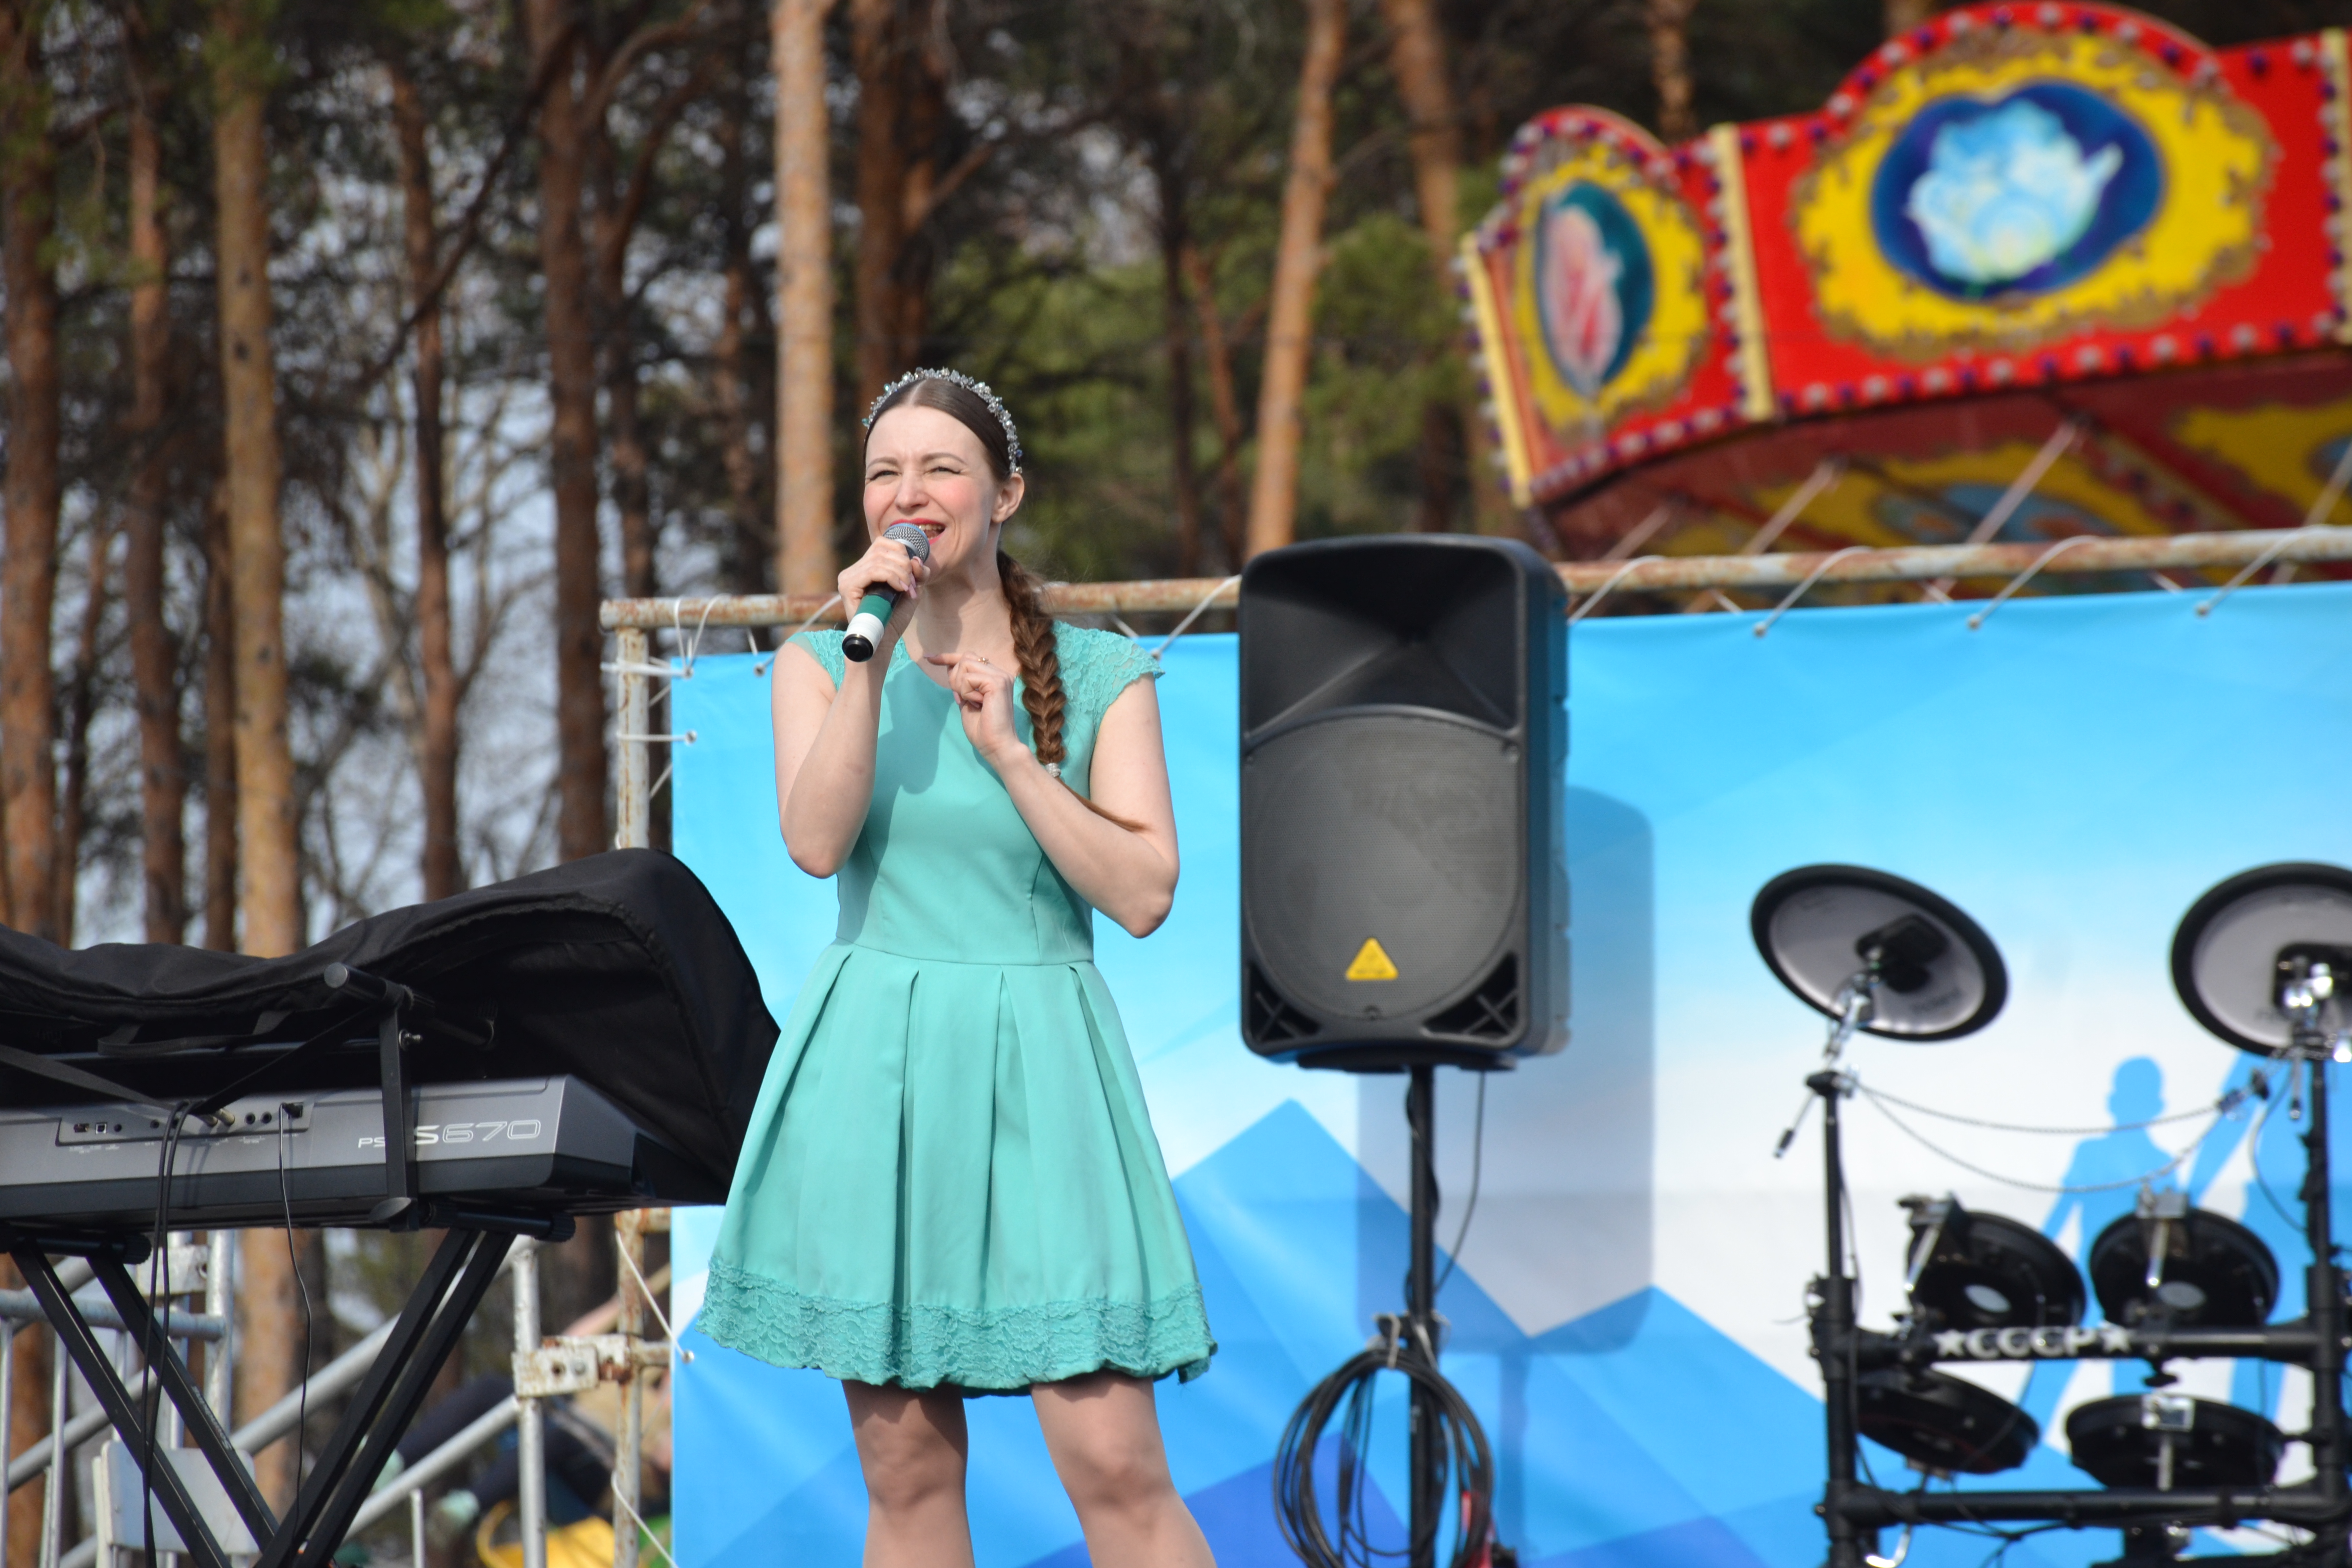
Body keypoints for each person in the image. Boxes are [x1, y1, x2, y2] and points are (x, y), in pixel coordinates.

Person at [699, 368, 1218, 1568]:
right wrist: (867, 657)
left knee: (1116, 1464)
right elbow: (815, 842)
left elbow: (1144, 894)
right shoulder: (822, 663)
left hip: (1043, 1063)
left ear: (1005, 495)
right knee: (908, 1473)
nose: (910, 493)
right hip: (878, 1067)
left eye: (941, 468)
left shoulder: (1099, 676)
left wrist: (1013, 758)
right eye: (885, 471)